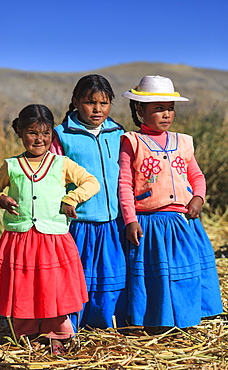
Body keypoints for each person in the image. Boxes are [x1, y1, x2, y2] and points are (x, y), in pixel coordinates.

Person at [0, 104, 100, 354]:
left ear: (52, 135)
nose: (40, 139)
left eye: (46, 133)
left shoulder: (61, 164)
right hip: (20, 238)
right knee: (24, 285)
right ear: (20, 132)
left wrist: (72, 199)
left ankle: (57, 332)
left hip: (53, 239)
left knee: (52, 286)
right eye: (33, 133)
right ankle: (27, 332)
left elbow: (91, 182)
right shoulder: (12, 166)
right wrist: (0, 200)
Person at [118, 75, 223, 332]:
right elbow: (124, 185)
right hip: (151, 223)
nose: (166, 114)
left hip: (182, 222)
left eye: (170, 108)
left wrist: (198, 196)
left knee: (187, 270)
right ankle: (157, 320)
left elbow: (196, 175)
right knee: (157, 276)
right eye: (158, 109)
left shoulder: (183, 142)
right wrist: (130, 220)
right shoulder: (132, 142)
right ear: (140, 110)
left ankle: (191, 315)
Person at [50, 74, 127, 330]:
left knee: (111, 276)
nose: (97, 109)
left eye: (104, 103)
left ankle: (107, 324)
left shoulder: (118, 133)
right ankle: (72, 326)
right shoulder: (62, 135)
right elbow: (53, 176)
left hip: (112, 221)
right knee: (77, 277)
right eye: (89, 102)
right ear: (75, 102)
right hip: (79, 222)